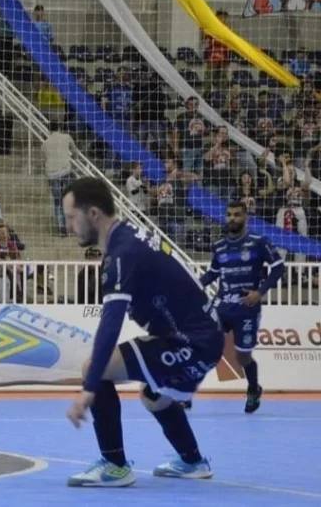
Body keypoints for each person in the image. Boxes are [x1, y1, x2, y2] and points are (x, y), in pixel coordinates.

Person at [62, 177, 222, 487]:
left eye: (71, 217)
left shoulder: (123, 254)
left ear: (93, 214)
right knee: (153, 396)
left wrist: (89, 387)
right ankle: (193, 462)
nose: (69, 226)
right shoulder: (128, 238)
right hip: (203, 338)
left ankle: (114, 465)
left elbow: (111, 321)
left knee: (95, 367)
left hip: (192, 341)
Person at [192, 200, 284, 413]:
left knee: (242, 357)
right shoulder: (219, 246)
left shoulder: (259, 242)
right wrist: (194, 285)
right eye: (229, 215)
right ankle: (186, 394)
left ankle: (253, 389)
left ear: (246, 218)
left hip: (247, 308)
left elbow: (279, 268)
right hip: (222, 306)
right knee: (204, 348)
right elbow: (213, 273)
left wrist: (259, 292)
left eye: (237, 215)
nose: (232, 218)